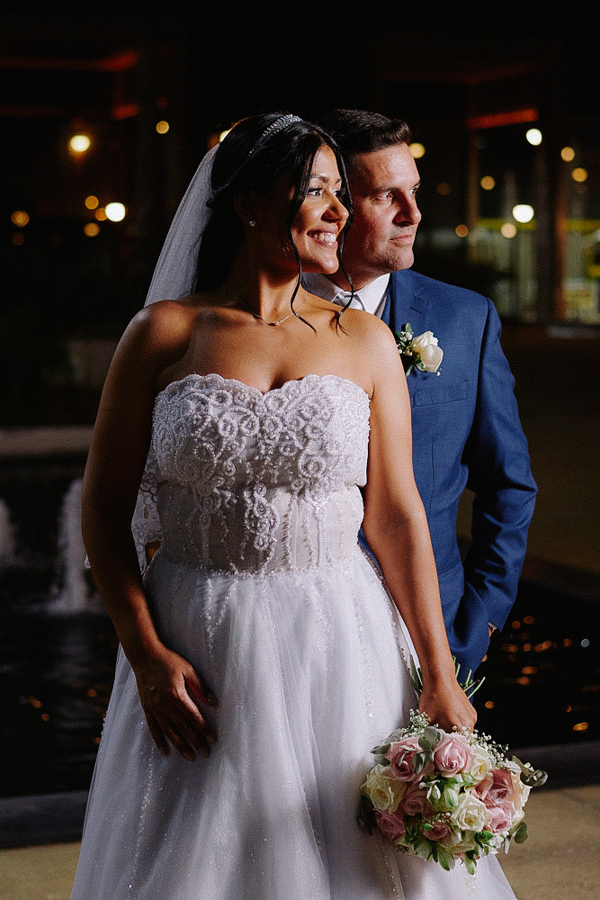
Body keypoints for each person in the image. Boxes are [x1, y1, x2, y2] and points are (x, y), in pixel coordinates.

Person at [71, 113, 517, 899]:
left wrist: (440, 675)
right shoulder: (163, 334)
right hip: (198, 636)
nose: (340, 213)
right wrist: (144, 654)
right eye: (317, 191)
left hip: (339, 637)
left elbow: (398, 517)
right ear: (249, 203)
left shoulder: (365, 343)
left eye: (342, 193)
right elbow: (105, 513)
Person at [306, 109, 537, 674]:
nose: (413, 214)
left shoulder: (465, 319)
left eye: (412, 190)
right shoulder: (259, 326)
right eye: (387, 196)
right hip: (301, 638)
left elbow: (508, 484)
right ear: (332, 207)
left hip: (430, 634)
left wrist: (477, 622)